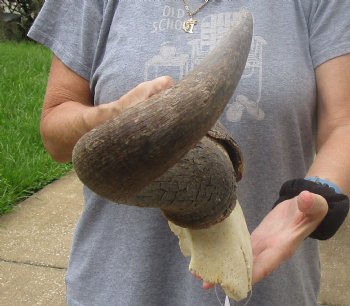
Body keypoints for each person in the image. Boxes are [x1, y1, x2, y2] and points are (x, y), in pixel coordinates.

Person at [28, 1, 350, 305]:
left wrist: (320, 191)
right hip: (114, 286)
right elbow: (56, 135)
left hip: (272, 282)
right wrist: (117, 117)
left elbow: (342, 123)